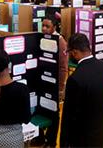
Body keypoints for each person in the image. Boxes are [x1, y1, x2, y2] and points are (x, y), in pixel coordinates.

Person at [60, 33, 103, 147]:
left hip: (81, 140)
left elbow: (69, 116)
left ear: (74, 52)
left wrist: (64, 143)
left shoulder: (75, 78)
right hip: (101, 136)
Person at [39, 15, 68, 147]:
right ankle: (40, 137)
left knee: (53, 112)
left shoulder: (61, 42)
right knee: (41, 108)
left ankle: (51, 141)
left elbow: (63, 68)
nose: (44, 28)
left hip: (54, 83)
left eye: (47, 26)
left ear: (54, 27)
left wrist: (61, 88)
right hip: (43, 80)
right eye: (43, 26)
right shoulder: (42, 37)